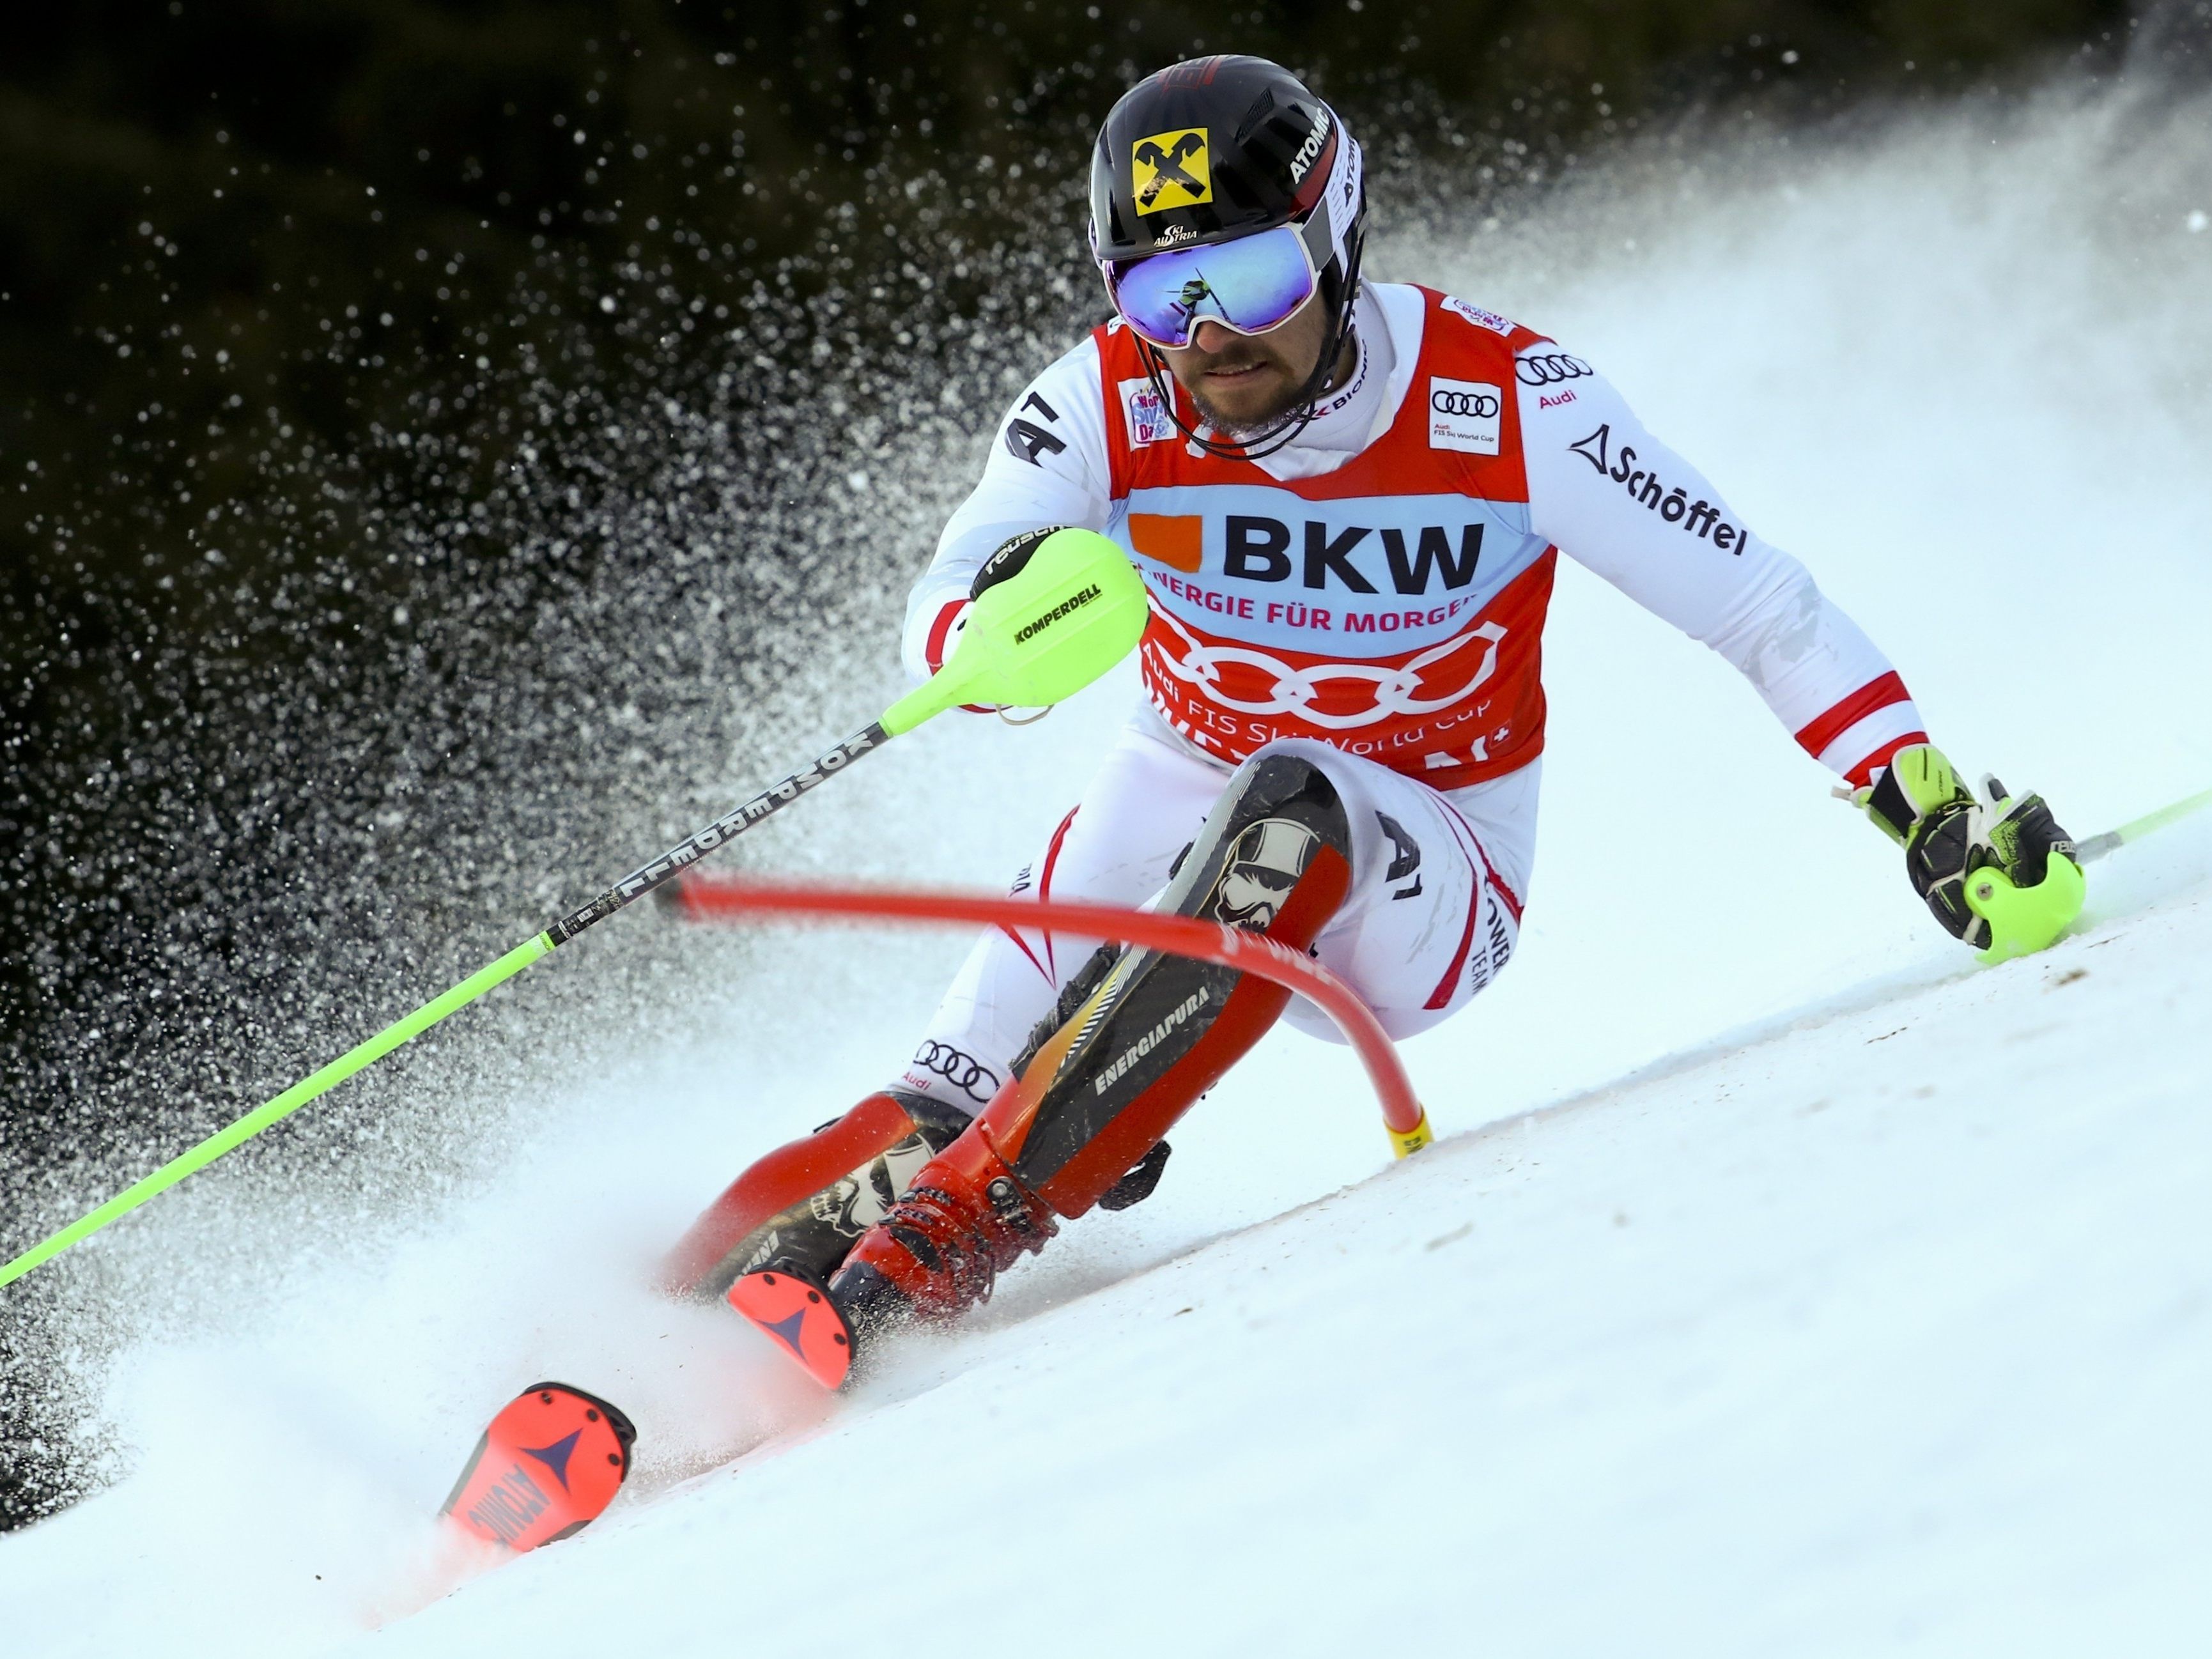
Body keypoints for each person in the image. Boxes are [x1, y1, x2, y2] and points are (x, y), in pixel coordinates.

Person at [661, 55, 2082, 1377]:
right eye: (1164, 297)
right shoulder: (1099, 400)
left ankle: (949, 1241)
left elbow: (1762, 611)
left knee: (1295, 796)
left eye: (1253, 274)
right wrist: (994, 625)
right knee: (922, 1112)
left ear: (1335, 238)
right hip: (1171, 792)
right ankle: (654, 1339)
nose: (1211, 336)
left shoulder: (1512, 401)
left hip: (1433, 864)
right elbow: (954, 587)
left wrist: (1932, 809)